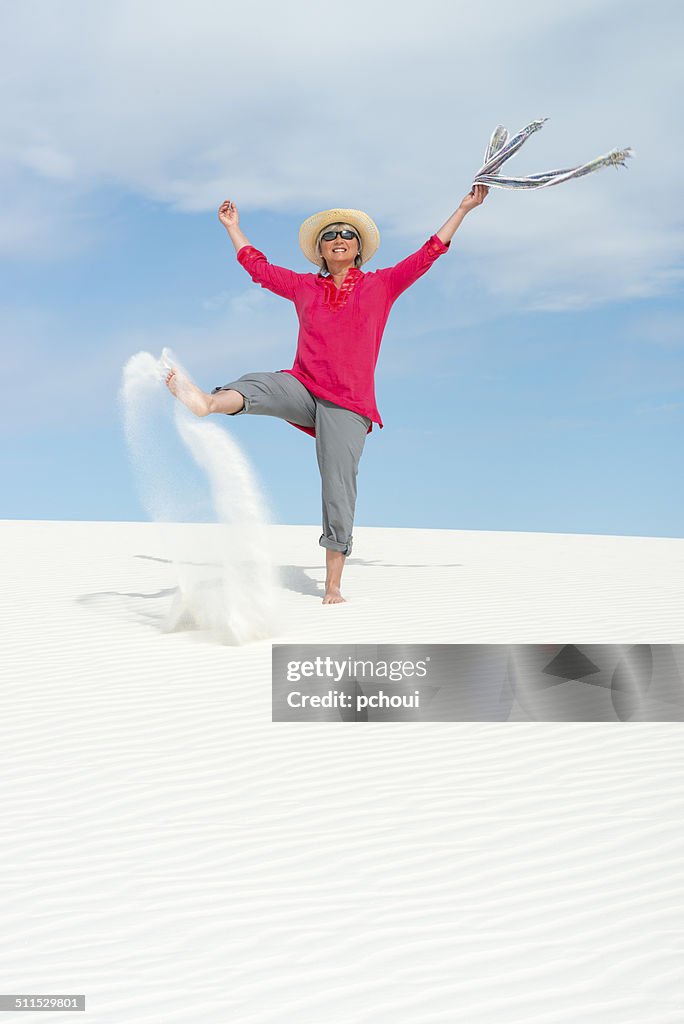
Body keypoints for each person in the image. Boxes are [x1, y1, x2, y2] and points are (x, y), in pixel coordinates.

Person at [165, 185, 489, 604]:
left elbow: (429, 253)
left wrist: (463, 208)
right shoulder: (305, 288)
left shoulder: (382, 285)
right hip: (303, 385)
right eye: (330, 235)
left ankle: (333, 583)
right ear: (320, 251)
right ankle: (208, 403)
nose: (339, 239)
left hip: (349, 405)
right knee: (260, 383)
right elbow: (258, 268)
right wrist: (234, 227)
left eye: (347, 235)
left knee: (338, 487)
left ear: (358, 250)